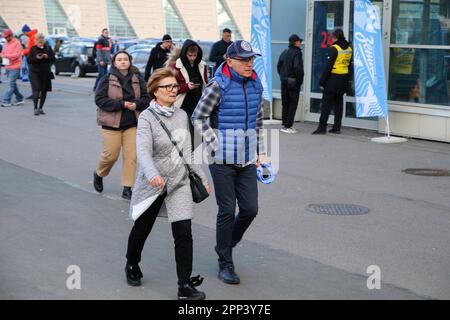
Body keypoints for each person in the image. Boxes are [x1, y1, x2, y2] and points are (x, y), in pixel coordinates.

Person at [125, 68, 210, 300]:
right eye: (168, 87)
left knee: (183, 232)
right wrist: (152, 174)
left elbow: (188, 152)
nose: (174, 90)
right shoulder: (147, 117)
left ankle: (184, 286)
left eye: (175, 86)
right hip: (154, 183)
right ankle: (132, 262)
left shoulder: (182, 115)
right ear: (155, 91)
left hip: (179, 180)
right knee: (142, 228)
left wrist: (201, 176)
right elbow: (142, 151)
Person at [192, 40, 266, 285]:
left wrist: (261, 153)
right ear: (230, 60)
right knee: (227, 210)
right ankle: (226, 262)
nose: (249, 64)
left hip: (246, 159)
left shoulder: (256, 83)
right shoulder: (218, 85)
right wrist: (216, 145)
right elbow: (199, 116)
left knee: (250, 209)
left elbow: (258, 121)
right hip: (222, 159)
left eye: (251, 59)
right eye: (244, 60)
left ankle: (225, 244)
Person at [93, 50, 150, 200]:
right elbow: (100, 100)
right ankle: (99, 173)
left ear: (130, 61)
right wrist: (122, 104)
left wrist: (136, 104)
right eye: (119, 59)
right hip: (111, 125)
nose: (123, 61)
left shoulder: (137, 78)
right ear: (114, 63)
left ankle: (127, 187)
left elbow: (147, 98)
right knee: (110, 156)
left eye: (125, 59)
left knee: (131, 156)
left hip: (132, 124)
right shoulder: (106, 79)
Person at [167, 39, 208, 149]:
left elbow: (206, 83)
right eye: (190, 55)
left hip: (199, 105)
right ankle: (186, 159)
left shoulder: (202, 65)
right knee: (186, 134)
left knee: (199, 137)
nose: (192, 58)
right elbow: (169, 88)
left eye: (195, 55)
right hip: (182, 105)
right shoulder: (174, 67)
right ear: (185, 53)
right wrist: (187, 86)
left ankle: (190, 158)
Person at [312, 29, 352, 135]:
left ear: (335, 37)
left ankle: (322, 127)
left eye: (332, 37)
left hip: (333, 79)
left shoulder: (334, 49)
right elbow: (349, 65)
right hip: (343, 79)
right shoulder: (349, 48)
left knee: (326, 105)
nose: (331, 38)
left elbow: (328, 67)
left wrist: (322, 82)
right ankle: (337, 127)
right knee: (339, 104)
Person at [277, 34, 304, 133]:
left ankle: (285, 123)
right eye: (299, 41)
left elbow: (279, 66)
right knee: (293, 103)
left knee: (286, 103)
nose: (300, 43)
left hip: (284, 81)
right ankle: (288, 126)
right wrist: (299, 80)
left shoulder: (285, 52)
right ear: (295, 42)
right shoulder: (297, 53)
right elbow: (297, 68)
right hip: (293, 81)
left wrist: (282, 77)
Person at [27, 33, 55, 116]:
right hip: (35, 72)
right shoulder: (33, 48)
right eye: (39, 42)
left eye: (42, 42)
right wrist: (36, 58)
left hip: (45, 72)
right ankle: (35, 108)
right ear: (36, 41)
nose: (40, 44)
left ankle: (41, 108)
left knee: (44, 90)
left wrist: (47, 57)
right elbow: (29, 60)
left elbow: (53, 59)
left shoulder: (48, 48)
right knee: (37, 89)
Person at [0, 29, 24, 107]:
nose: (5, 38)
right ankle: (20, 99)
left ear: (11, 35)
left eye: (7, 37)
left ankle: (6, 101)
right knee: (13, 84)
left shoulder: (17, 42)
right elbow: (2, 53)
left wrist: (5, 56)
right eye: (5, 37)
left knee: (10, 84)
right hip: (7, 66)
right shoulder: (6, 43)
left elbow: (17, 55)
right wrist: (3, 55)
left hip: (15, 67)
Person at [21, 24, 38, 99]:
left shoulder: (32, 37)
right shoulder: (34, 36)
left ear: (25, 32)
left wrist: (23, 52)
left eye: (24, 32)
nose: (24, 34)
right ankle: (35, 93)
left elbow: (31, 49)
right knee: (34, 77)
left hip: (33, 60)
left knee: (33, 77)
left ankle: (35, 94)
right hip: (35, 60)